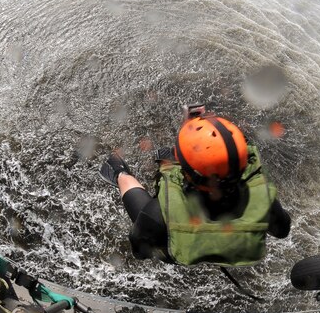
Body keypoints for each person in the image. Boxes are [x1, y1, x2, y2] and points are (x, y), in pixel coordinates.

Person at [100, 106, 291, 265]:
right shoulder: (264, 200)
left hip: (184, 249)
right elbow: (282, 230)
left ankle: (119, 172)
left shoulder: (156, 215)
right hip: (236, 248)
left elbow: (140, 251)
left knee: (125, 179)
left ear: (184, 170)